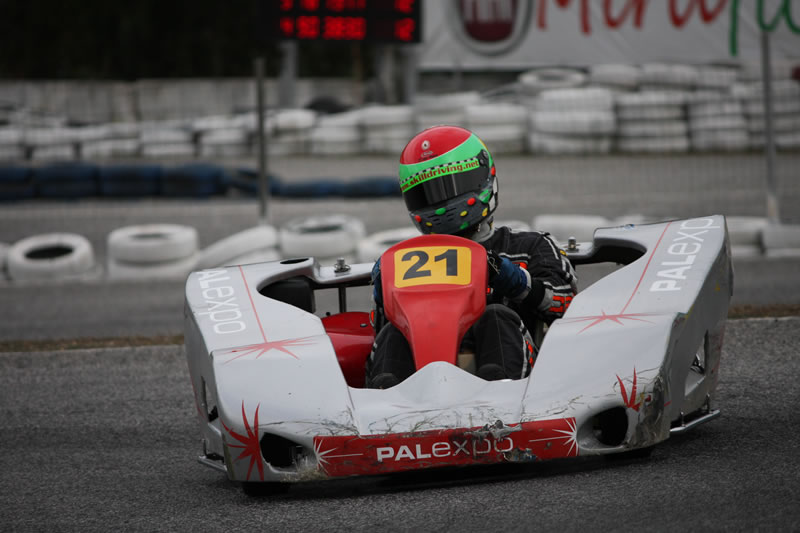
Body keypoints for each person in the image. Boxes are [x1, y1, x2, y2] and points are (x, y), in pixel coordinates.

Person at [366, 125, 577, 389]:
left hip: (516, 381)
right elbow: (380, 333)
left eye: (449, 189)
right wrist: (385, 295)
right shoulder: (406, 260)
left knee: (496, 316)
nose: (440, 204)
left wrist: (516, 281)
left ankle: (498, 390)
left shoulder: (530, 246)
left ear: (481, 180)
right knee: (394, 332)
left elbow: (568, 306)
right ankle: (386, 402)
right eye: (426, 195)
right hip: (420, 381)